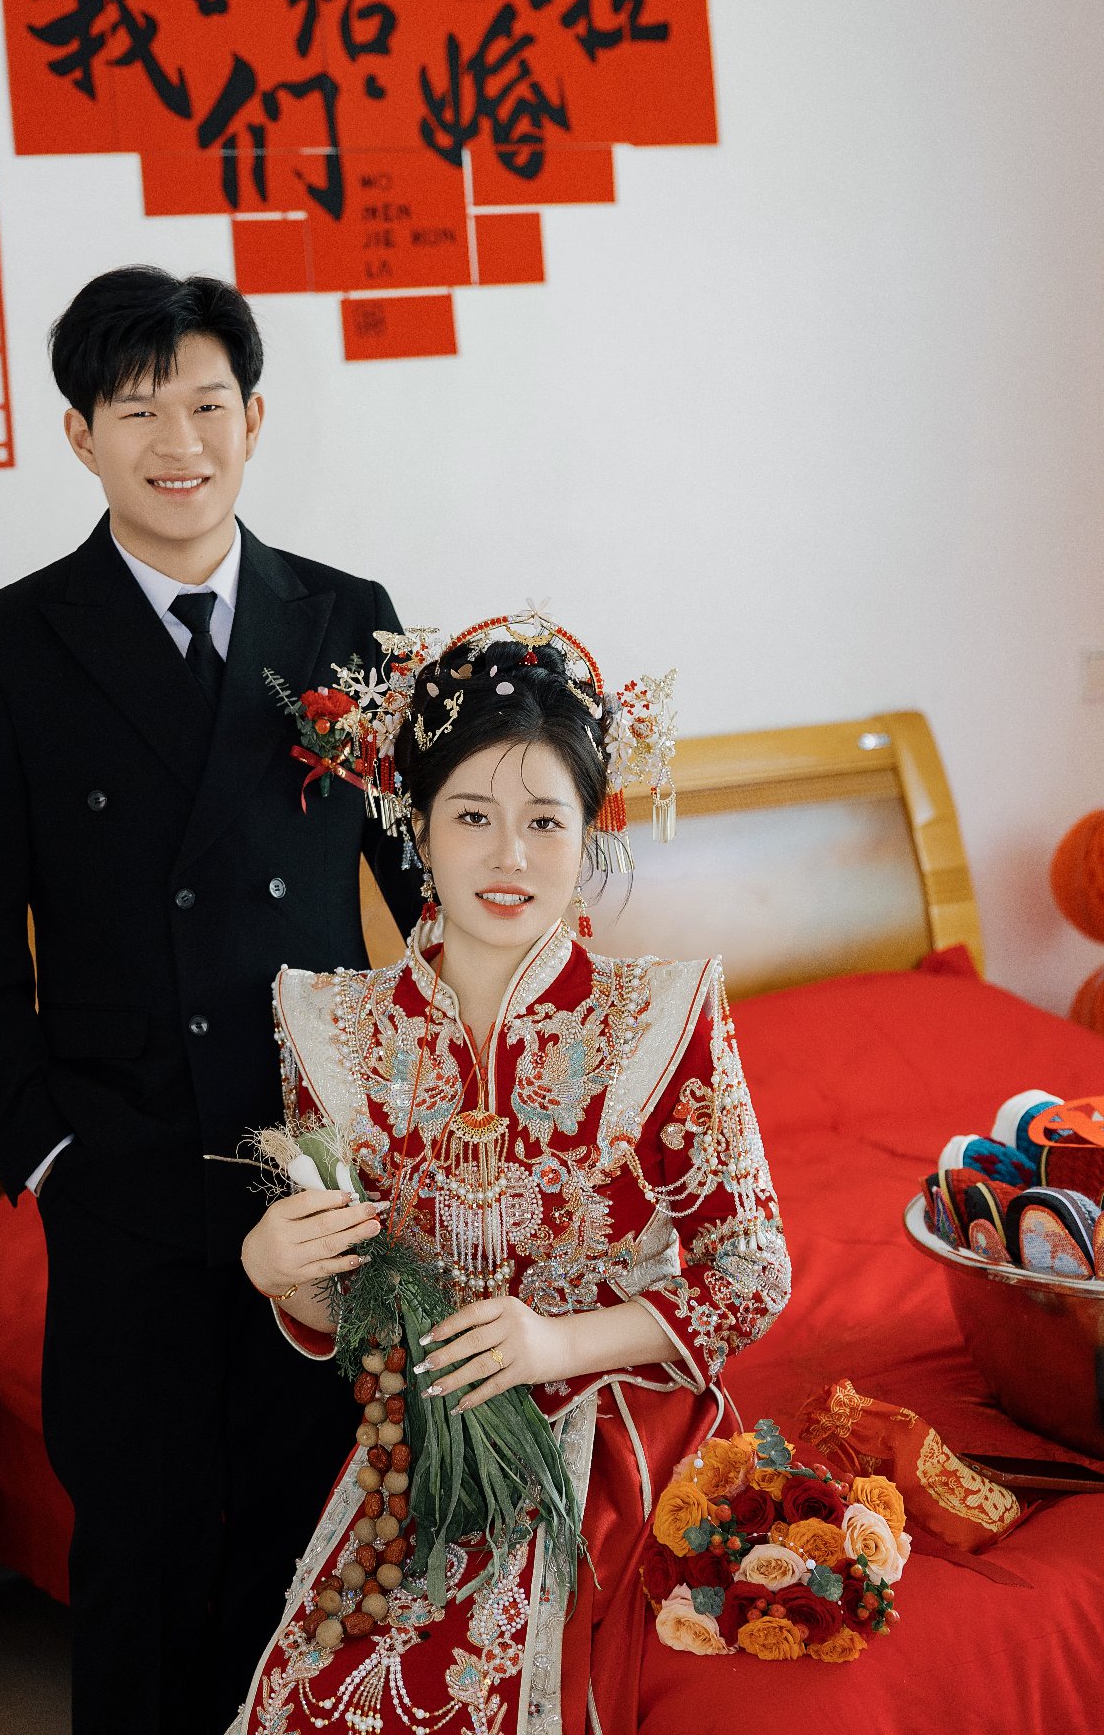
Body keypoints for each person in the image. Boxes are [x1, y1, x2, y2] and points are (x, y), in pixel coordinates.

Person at [0, 266, 420, 1734]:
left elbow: (435, 888)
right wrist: (55, 1158)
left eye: (207, 404)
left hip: (318, 1176)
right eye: (138, 411)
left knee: (316, 1553)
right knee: (145, 1568)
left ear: (256, 417)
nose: (178, 442)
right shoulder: (4, 645)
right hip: (126, 1182)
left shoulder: (350, 619)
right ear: (80, 433)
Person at [234, 614, 790, 1735]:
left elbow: (753, 1270)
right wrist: (276, 1269)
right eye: (472, 816)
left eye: (544, 820)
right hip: (424, 1456)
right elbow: (360, 1303)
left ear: (590, 831)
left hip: (620, 1436)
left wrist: (557, 1346)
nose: (509, 857)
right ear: (414, 823)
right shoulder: (327, 1027)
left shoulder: (662, 1015)